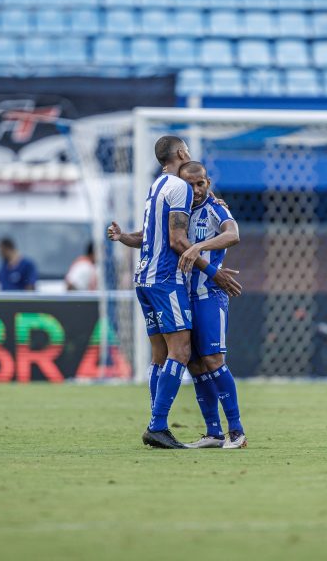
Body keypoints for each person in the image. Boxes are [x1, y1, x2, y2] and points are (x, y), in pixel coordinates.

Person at [106, 135, 242, 450]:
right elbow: (176, 240)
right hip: (166, 279)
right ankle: (157, 425)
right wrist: (214, 272)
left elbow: (152, 234)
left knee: (161, 356)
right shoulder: (179, 188)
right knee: (181, 353)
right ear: (182, 152)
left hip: (143, 278)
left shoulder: (158, 185)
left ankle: (178, 426)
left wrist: (125, 237)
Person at [177, 161, 246, 449]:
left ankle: (237, 432)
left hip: (209, 294)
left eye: (200, 184)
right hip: (183, 294)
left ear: (208, 183)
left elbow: (233, 234)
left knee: (214, 360)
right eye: (189, 185)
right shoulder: (178, 212)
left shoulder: (216, 209)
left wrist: (198, 247)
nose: (195, 190)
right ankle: (213, 433)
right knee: (194, 364)